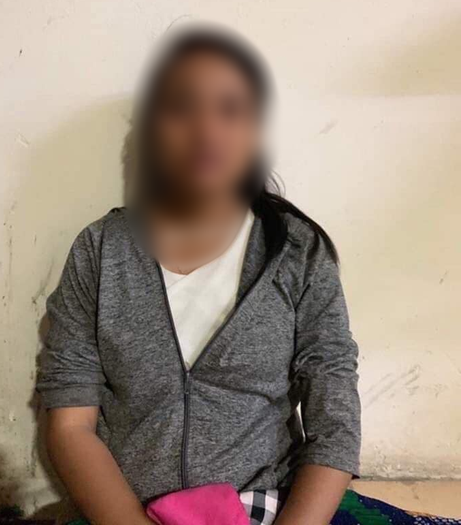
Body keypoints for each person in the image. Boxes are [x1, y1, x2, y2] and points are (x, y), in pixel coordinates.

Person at [37, 24, 361, 525]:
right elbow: (70, 423)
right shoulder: (101, 252)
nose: (206, 130)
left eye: (230, 110)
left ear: (255, 133)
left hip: (267, 509)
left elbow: (334, 422)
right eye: (181, 107)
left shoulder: (299, 255)